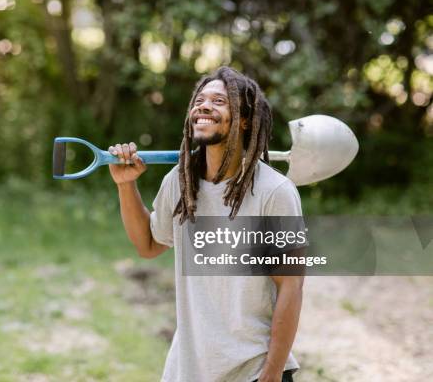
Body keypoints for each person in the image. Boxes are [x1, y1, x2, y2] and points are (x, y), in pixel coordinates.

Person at [108, 66, 303, 382]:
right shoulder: (180, 182)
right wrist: (125, 185)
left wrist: (272, 373)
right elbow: (147, 245)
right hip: (189, 369)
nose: (204, 106)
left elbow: (290, 286)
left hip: (252, 370)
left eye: (219, 101)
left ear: (243, 120)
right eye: (199, 100)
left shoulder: (274, 192)